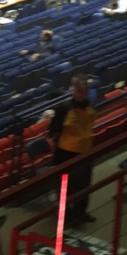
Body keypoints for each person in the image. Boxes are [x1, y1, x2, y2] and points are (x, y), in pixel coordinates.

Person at [49, 78, 98, 226]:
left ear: (86, 93)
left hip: (84, 152)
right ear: (73, 92)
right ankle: (64, 216)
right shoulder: (64, 108)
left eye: (82, 92)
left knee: (84, 185)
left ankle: (80, 212)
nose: (79, 94)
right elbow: (53, 132)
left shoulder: (89, 107)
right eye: (77, 91)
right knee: (65, 188)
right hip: (66, 154)